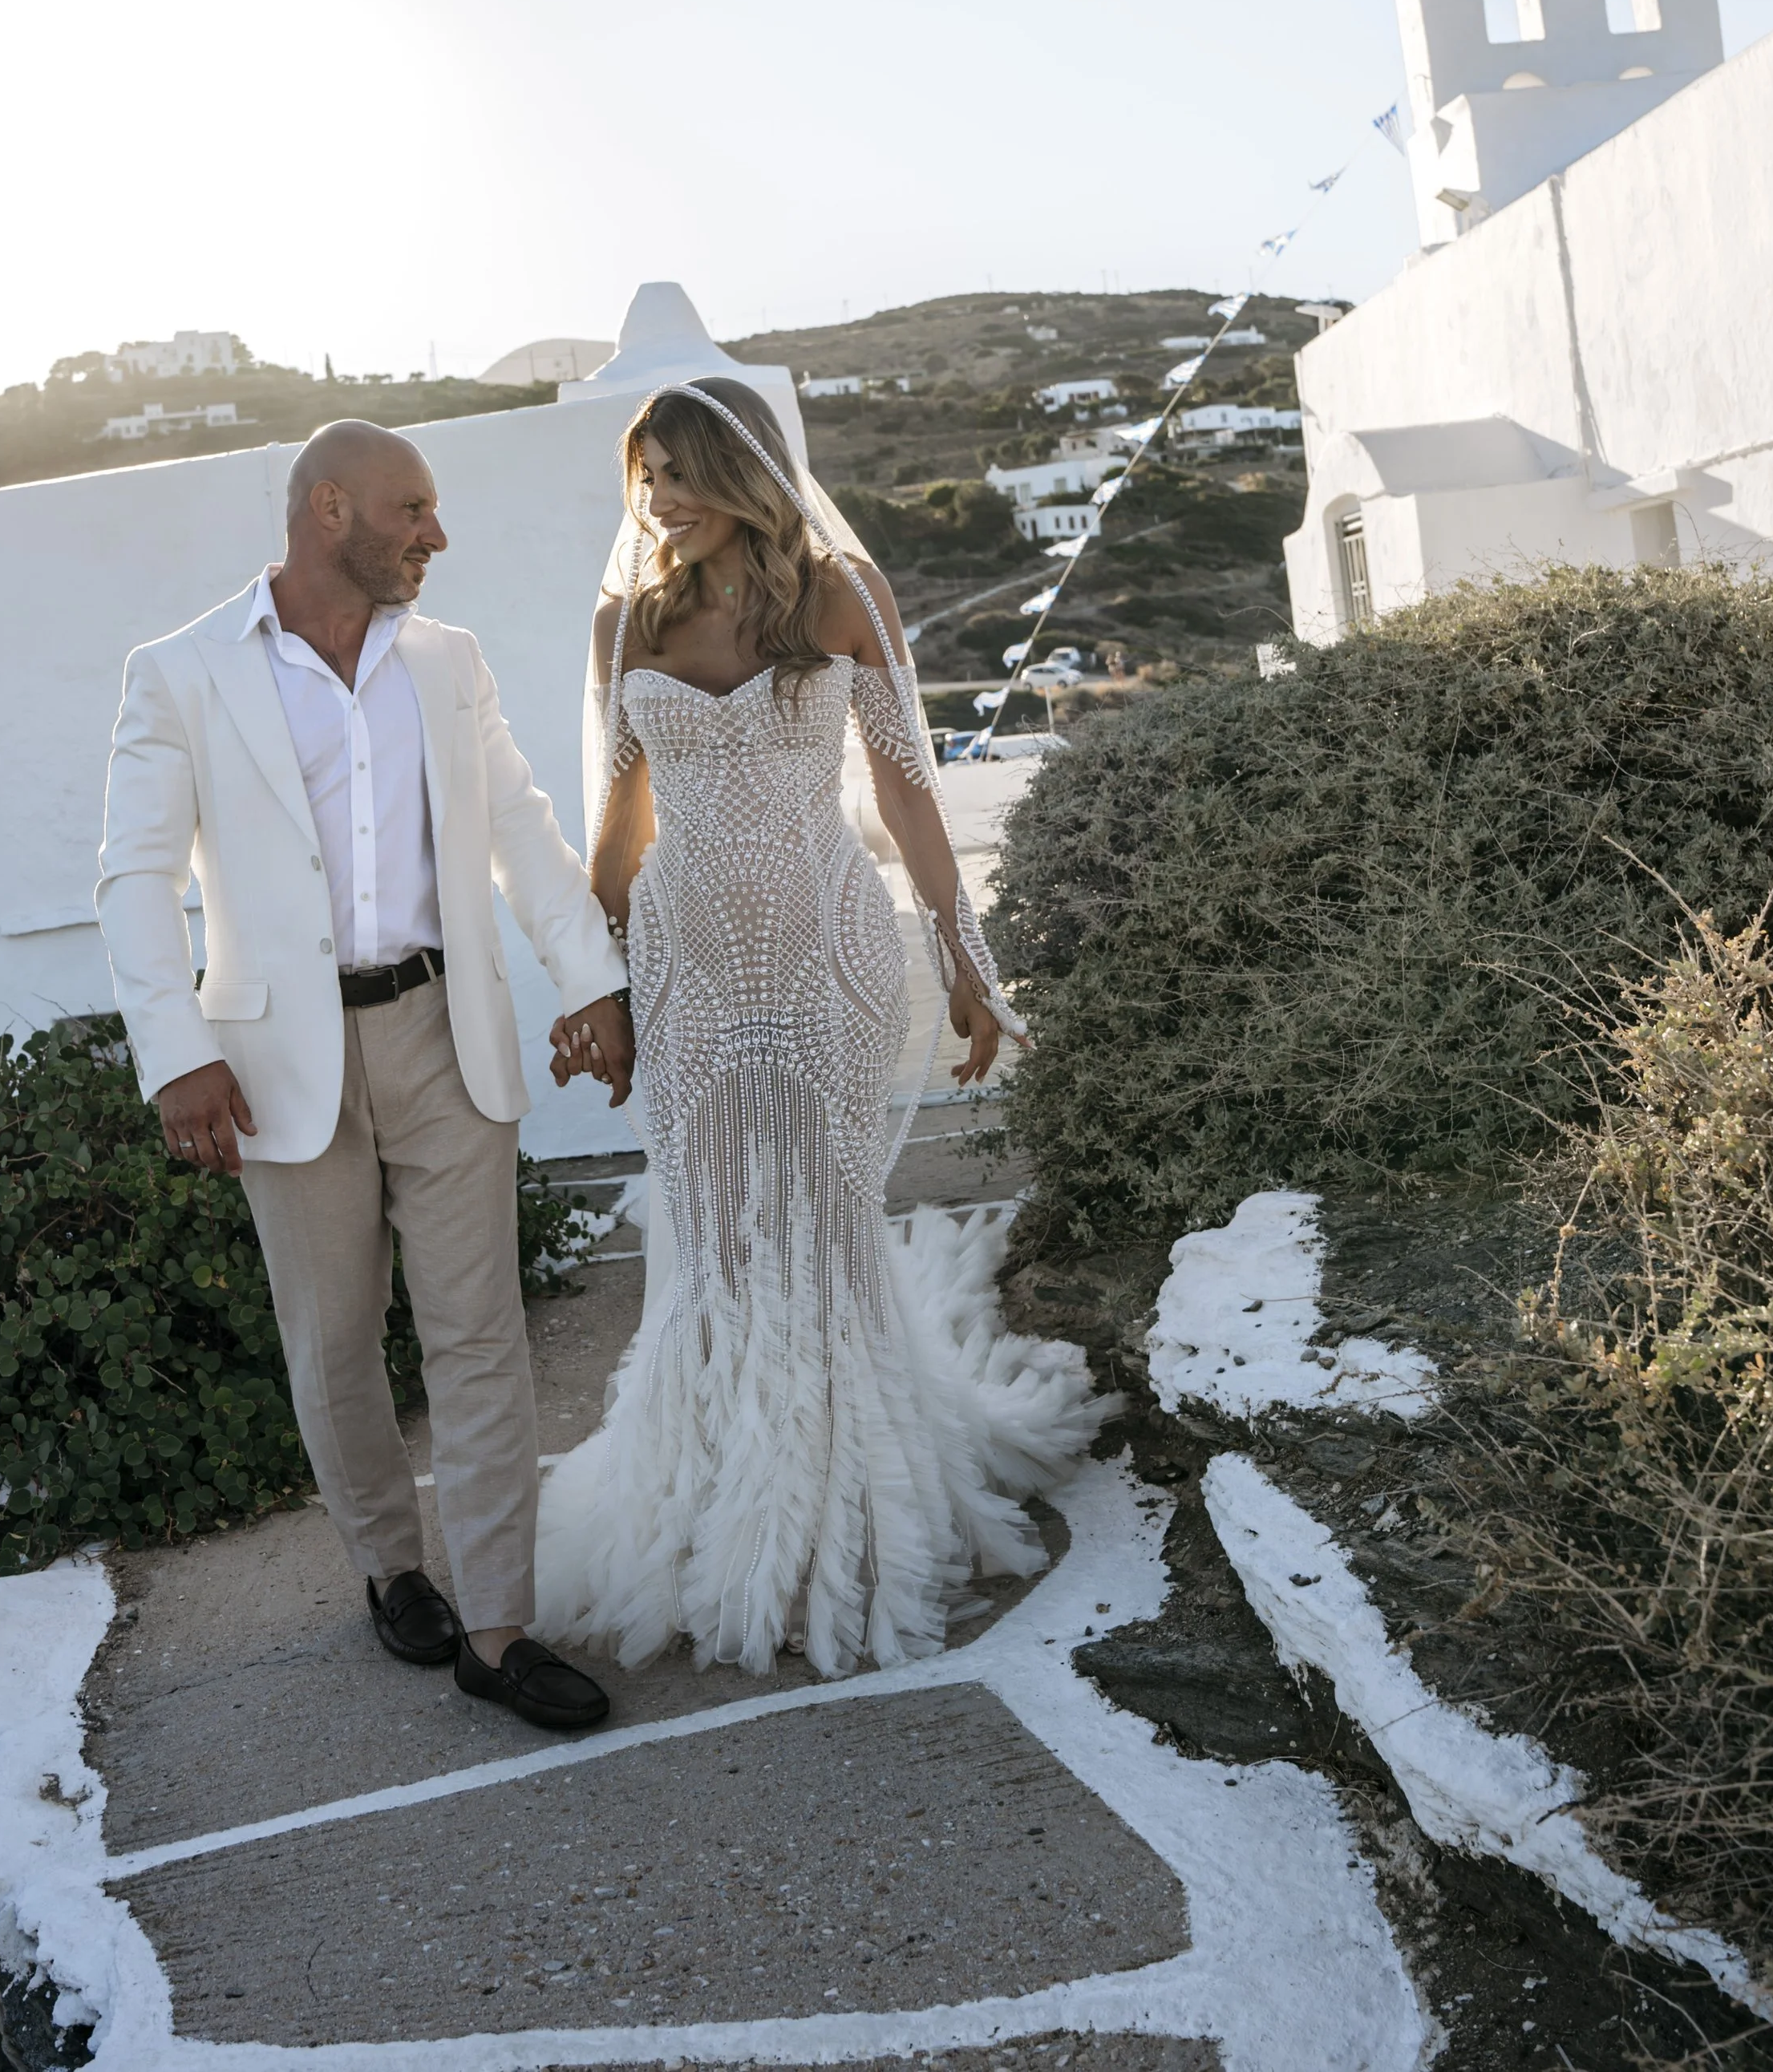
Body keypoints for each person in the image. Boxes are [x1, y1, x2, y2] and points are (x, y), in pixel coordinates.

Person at [535, 378, 1105, 1679]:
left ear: (742, 474)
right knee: (720, 1234)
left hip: (828, 956)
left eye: (680, 472)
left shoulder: (843, 598)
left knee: (827, 1227)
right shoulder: (625, 625)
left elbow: (912, 803)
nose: (659, 499)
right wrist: (595, 988)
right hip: (691, 968)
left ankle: (842, 1515)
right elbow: (621, 835)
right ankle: (715, 1502)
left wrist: (967, 962)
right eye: (647, 476)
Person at [95, 419, 630, 1734]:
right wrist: (179, 1053)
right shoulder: (180, 674)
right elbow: (134, 878)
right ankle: (394, 1565)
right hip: (280, 1061)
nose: (435, 534)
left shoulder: (448, 662)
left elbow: (520, 827)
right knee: (334, 1344)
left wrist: (594, 979)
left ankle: (496, 1628)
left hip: (447, 1033)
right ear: (328, 509)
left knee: (479, 1337)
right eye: (414, 509)